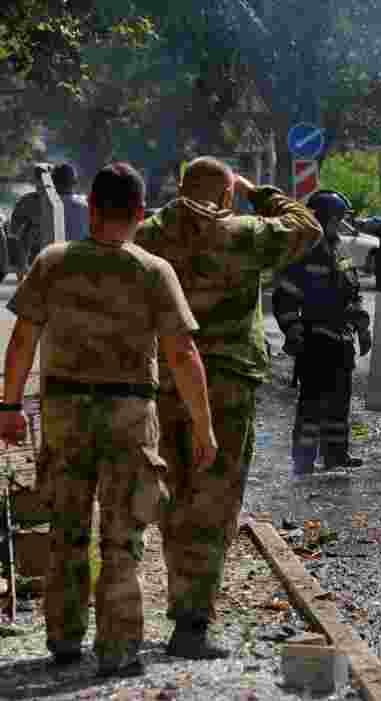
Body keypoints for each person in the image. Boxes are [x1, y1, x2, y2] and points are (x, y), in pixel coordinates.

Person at [0, 162, 217, 677]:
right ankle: (118, 650)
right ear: (140, 214)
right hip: (129, 418)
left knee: (66, 531)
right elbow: (184, 355)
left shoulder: (52, 263)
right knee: (122, 540)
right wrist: (204, 427)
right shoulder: (152, 271)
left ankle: (63, 642)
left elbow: (23, 339)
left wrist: (8, 407)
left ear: (91, 209)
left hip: (64, 415)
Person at [135, 156, 322, 659]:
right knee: (215, 499)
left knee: (175, 491)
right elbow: (308, 226)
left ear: (179, 188)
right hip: (229, 388)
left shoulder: (150, 233)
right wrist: (257, 191)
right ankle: (193, 623)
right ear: (226, 197)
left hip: (170, 379)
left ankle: (178, 603)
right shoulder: (243, 233)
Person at [272, 190, 372, 475]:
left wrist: (362, 328)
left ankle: (336, 455)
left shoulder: (340, 251)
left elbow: (353, 292)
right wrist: (293, 330)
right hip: (314, 340)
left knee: (339, 403)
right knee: (312, 405)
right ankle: (303, 460)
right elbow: (285, 298)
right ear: (323, 219)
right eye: (336, 219)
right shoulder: (302, 253)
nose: (339, 225)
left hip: (341, 340)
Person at [53, 163, 90, 242]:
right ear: (74, 182)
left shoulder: (45, 204)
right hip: (80, 251)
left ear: (53, 182)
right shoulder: (85, 204)